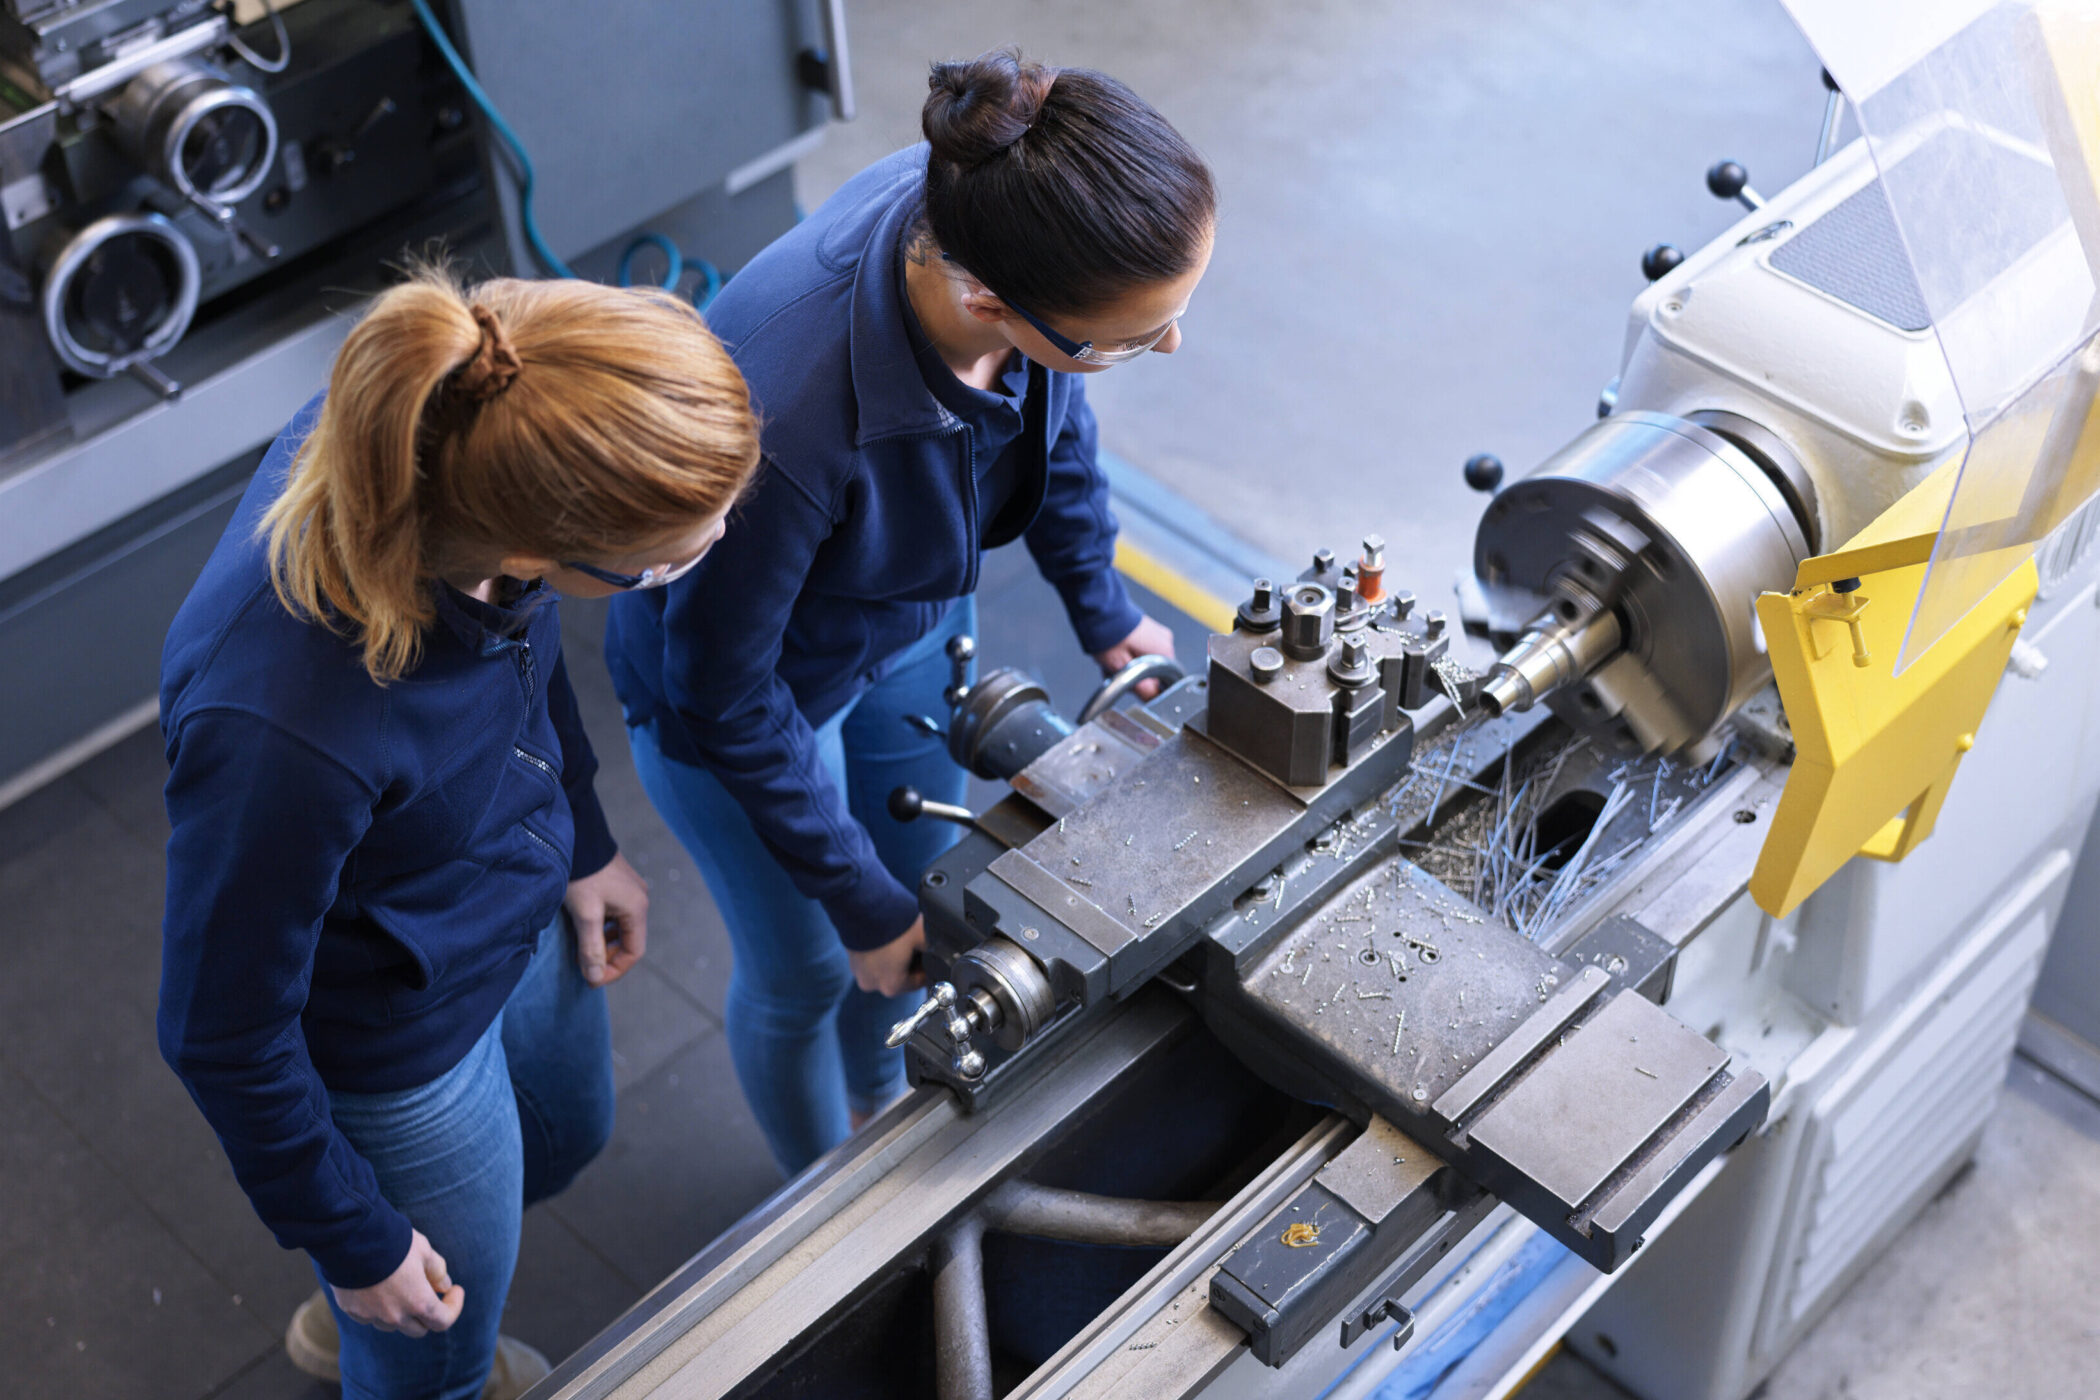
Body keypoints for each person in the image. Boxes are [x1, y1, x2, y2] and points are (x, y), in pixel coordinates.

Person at [606, 49, 1216, 1175]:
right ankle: (817, 1193)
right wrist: (854, 897)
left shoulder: (999, 203)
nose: (1170, 345)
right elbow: (722, 689)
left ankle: (877, 1097)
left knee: (924, 898)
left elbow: (1056, 423)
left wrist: (1103, 609)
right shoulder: (787, 418)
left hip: (898, 612)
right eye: (1135, 336)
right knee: (808, 969)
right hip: (743, 696)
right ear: (989, 302)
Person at [157, 269, 760, 1400]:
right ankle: (405, 1350)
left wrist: (584, 837)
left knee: (567, 1136)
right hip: (392, 1030)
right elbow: (218, 1029)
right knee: (437, 1342)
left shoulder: (462, 437)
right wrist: (355, 1238)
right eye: (671, 556)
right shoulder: (282, 729)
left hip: (506, 903)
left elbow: (521, 654)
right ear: (536, 546)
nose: (716, 540)